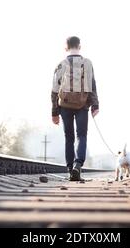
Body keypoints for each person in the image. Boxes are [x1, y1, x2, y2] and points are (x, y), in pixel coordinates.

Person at [51, 36, 99, 181]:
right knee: (82, 136)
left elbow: (54, 89)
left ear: (66, 47)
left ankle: (69, 169)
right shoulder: (87, 63)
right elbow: (92, 84)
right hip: (82, 104)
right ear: (79, 46)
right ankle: (78, 165)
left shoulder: (61, 64)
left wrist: (54, 112)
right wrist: (95, 105)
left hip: (64, 105)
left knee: (69, 137)